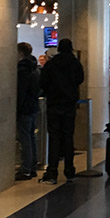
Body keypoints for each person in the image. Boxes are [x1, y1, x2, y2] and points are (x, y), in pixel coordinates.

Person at [38, 38, 85, 184]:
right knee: (68, 137)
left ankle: (52, 172)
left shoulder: (51, 64)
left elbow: (43, 82)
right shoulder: (75, 64)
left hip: (54, 104)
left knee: (54, 137)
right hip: (69, 104)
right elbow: (80, 79)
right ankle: (69, 170)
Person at [15, 42, 40, 181]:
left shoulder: (22, 70)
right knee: (31, 138)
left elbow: (21, 92)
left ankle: (26, 169)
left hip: (24, 109)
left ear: (20, 53)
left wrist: (17, 108)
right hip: (33, 106)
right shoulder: (35, 68)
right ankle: (32, 167)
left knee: (25, 138)